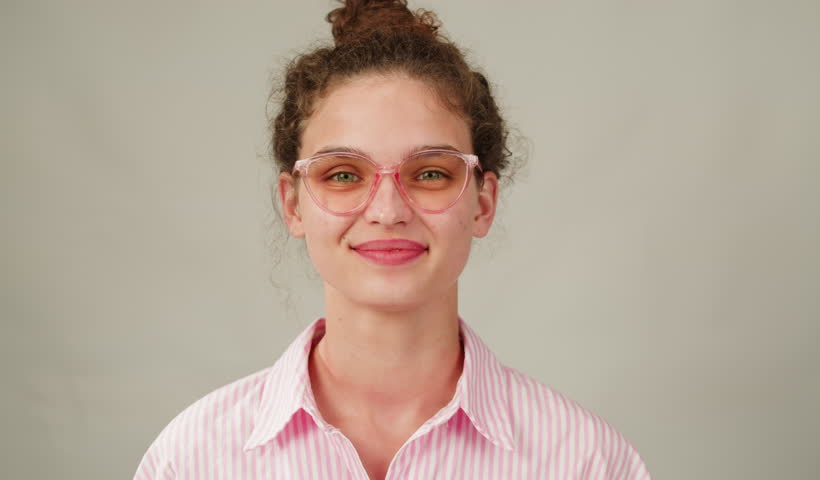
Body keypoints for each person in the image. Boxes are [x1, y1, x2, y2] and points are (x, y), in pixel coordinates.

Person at [134, 1, 650, 478]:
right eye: (342, 174)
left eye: (429, 173)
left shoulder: (586, 462)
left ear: (483, 202)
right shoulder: (193, 459)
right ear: (293, 204)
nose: (387, 210)